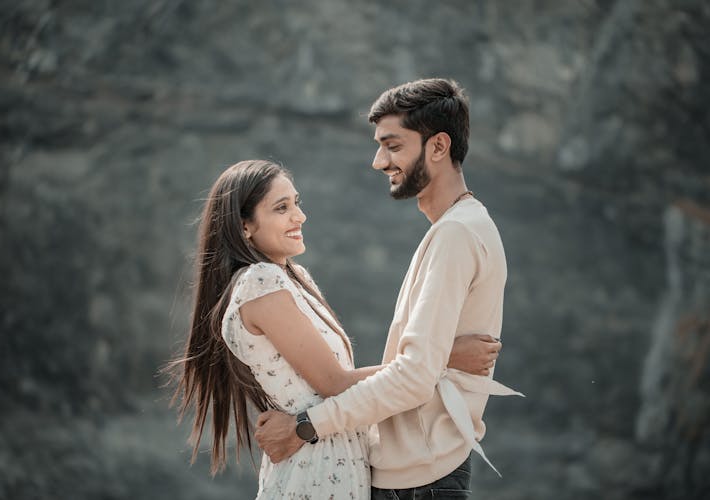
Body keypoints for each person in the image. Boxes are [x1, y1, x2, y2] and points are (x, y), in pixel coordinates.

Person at [167, 159, 500, 499]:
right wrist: (443, 357)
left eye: (296, 203)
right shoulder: (260, 284)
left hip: (336, 459)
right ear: (245, 227)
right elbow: (335, 383)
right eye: (281, 208)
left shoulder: (292, 279)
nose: (299, 216)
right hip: (314, 469)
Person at [255, 78, 522, 499]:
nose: (379, 161)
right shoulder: (460, 228)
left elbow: (414, 377)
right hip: (420, 476)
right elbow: (424, 366)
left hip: (421, 484)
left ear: (438, 146)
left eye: (393, 146)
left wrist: (305, 427)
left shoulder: (456, 235)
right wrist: (443, 357)